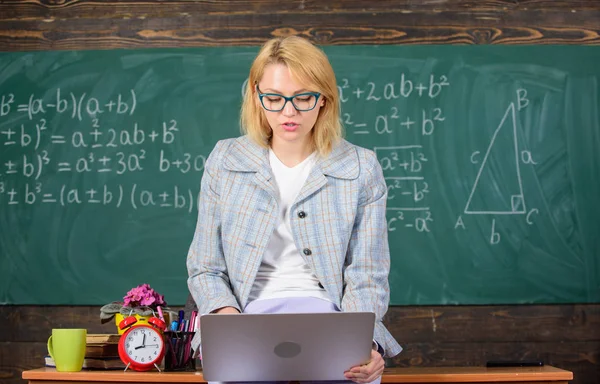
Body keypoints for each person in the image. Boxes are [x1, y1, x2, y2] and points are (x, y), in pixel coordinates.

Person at [187, 35, 402, 384]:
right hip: (245, 322)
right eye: (274, 98)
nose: (289, 112)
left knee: (357, 377)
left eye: (303, 98)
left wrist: (365, 341)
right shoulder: (225, 160)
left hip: (332, 323)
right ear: (257, 97)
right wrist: (225, 321)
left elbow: (368, 273)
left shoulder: (361, 167)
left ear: (324, 100)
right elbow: (205, 267)